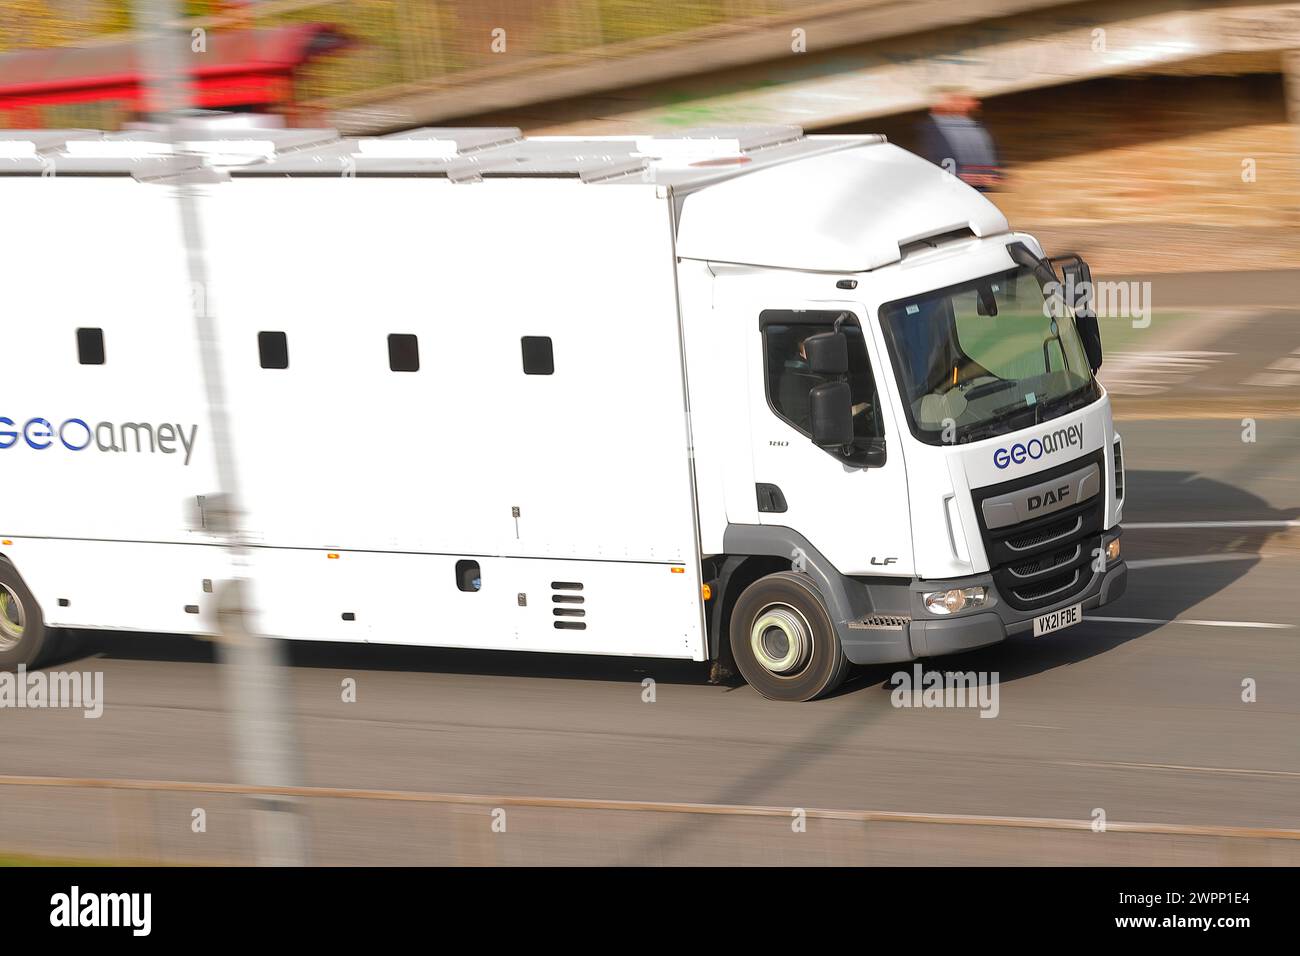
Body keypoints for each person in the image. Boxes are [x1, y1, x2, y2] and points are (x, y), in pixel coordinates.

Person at [916, 88, 1003, 191]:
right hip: (951, 190)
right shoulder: (929, 129)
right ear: (940, 104)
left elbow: (990, 154)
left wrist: (995, 175)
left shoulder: (978, 126)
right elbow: (932, 162)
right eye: (958, 100)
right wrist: (959, 177)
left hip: (982, 189)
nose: (974, 103)